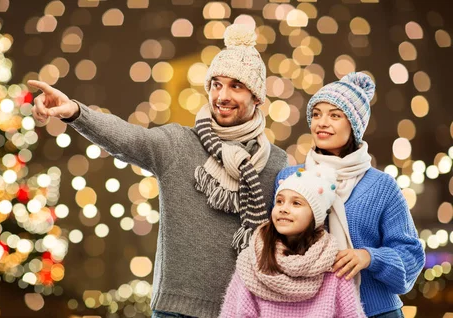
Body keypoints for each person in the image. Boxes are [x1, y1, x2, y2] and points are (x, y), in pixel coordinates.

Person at [30, 22, 288, 318]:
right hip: (173, 311)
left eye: (236, 86)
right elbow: (127, 138)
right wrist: (76, 112)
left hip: (243, 311)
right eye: (216, 84)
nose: (222, 96)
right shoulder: (180, 144)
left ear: (257, 97)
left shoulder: (276, 164)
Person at [275, 72, 425, 318]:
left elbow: (410, 256)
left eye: (334, 115)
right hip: (307, 310)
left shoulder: (381, 186)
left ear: (354, 125)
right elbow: (273, 246)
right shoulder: (290, 179)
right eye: (316, 114)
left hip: (376, 312)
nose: (322, 123)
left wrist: (369, 257)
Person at [220, 166, 366, 317]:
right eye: (279, 201)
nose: (283, 209)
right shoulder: (252, 261)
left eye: (296, 203)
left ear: (315, 216)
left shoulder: (334, 266)